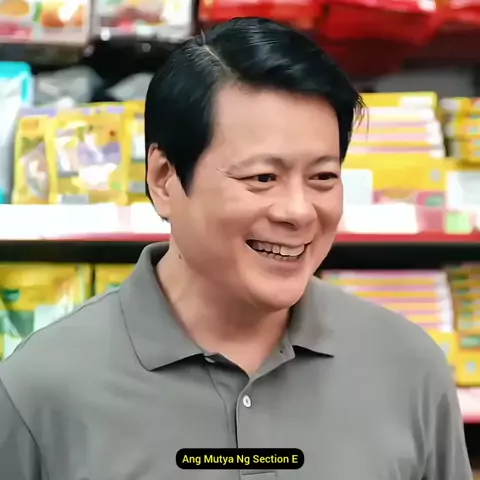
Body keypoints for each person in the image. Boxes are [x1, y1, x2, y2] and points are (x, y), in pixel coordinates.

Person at [0, 17, 472, 480]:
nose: (298, 211)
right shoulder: (39, 390)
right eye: (263, 177)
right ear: (164, 179)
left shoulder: (407, 368)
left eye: (323, 177)